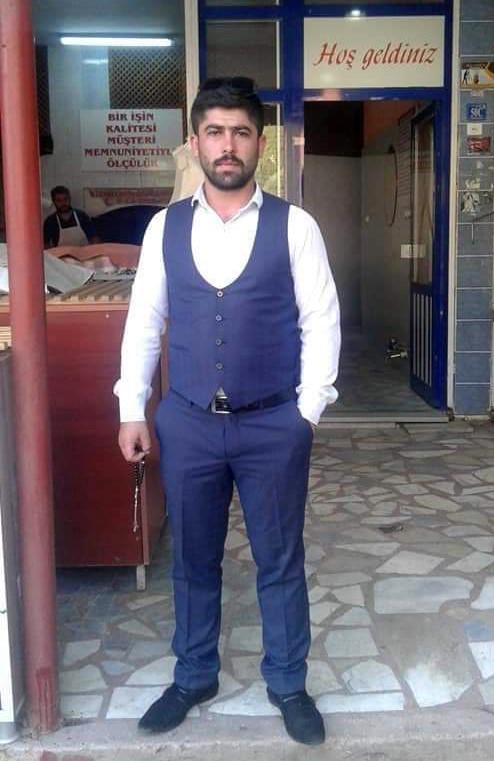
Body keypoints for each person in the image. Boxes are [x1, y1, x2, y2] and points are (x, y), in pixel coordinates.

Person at [115, 76, 341, 746]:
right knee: (192, 559)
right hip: (187, 421)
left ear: (260, 144)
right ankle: (193, 676)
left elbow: (321, 320)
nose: (227, 144)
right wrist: (132, 407)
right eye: (214, 131)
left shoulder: (294, 226)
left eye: (240, 132)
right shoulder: (165, 227)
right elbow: (144, 320)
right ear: (195, 142)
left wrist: (307, 411)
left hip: (273, 423)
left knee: (279, 559)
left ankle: (288, 683)